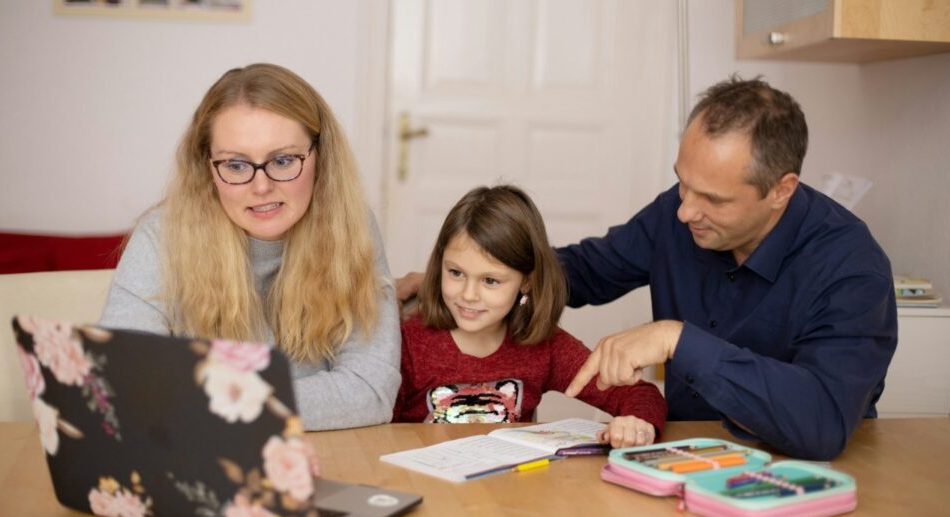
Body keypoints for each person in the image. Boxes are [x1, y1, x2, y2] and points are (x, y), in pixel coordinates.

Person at [558, 76, 897, 460]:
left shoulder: (852, 268)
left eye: (714, 200)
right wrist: (506, 267)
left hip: (799, 474)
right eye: (682, 183)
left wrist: (677, 340)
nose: (685, 211)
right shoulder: (677, 211)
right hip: (681, 460)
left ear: (781, 190)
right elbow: (584, 270)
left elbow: (822, 423)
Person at [101, 63, 401, 430]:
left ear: (321, 156)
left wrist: (201, 401)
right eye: (236, 165)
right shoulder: (160, 236)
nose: (261, 187)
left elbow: (370, 391)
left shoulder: (352, 226)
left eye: (283, 160)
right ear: (207, 166)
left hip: (323, 451)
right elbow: (121, 384)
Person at [393, 185, 667, 447]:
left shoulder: (544, 346)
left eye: (490, 280)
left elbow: (640, 394)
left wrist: (637, 423)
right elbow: (376, 431)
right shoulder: (408, 345)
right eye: (456, 273)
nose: (468, 294)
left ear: (526, 281)